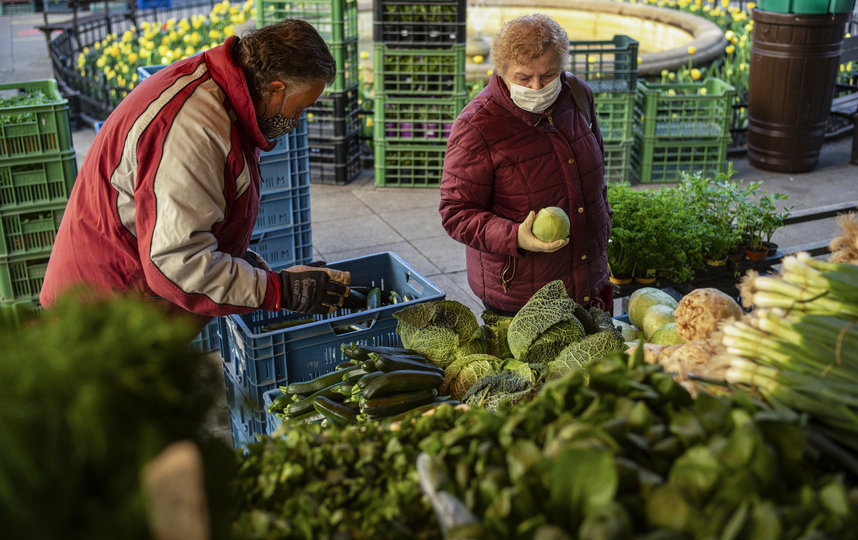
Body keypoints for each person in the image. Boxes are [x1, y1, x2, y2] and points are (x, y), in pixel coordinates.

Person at [40, 19, 351, 328]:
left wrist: (246, 266)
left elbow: (190, 215)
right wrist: (279, 290)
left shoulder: (222, 88)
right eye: (298, 108)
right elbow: (177, 264)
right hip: (106, 310)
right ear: (275, 88)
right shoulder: (194, 129)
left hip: (125, 294)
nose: (295, 120)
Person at [439, 14, 612, 316]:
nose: (536, 86)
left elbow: (594, 172)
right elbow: (456, 213)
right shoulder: (477, 126)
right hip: (523, 297)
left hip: (589, 280)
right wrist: (516, 235)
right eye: (523, 77)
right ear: (502, 72)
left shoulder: (578, 95)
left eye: (548, 75)